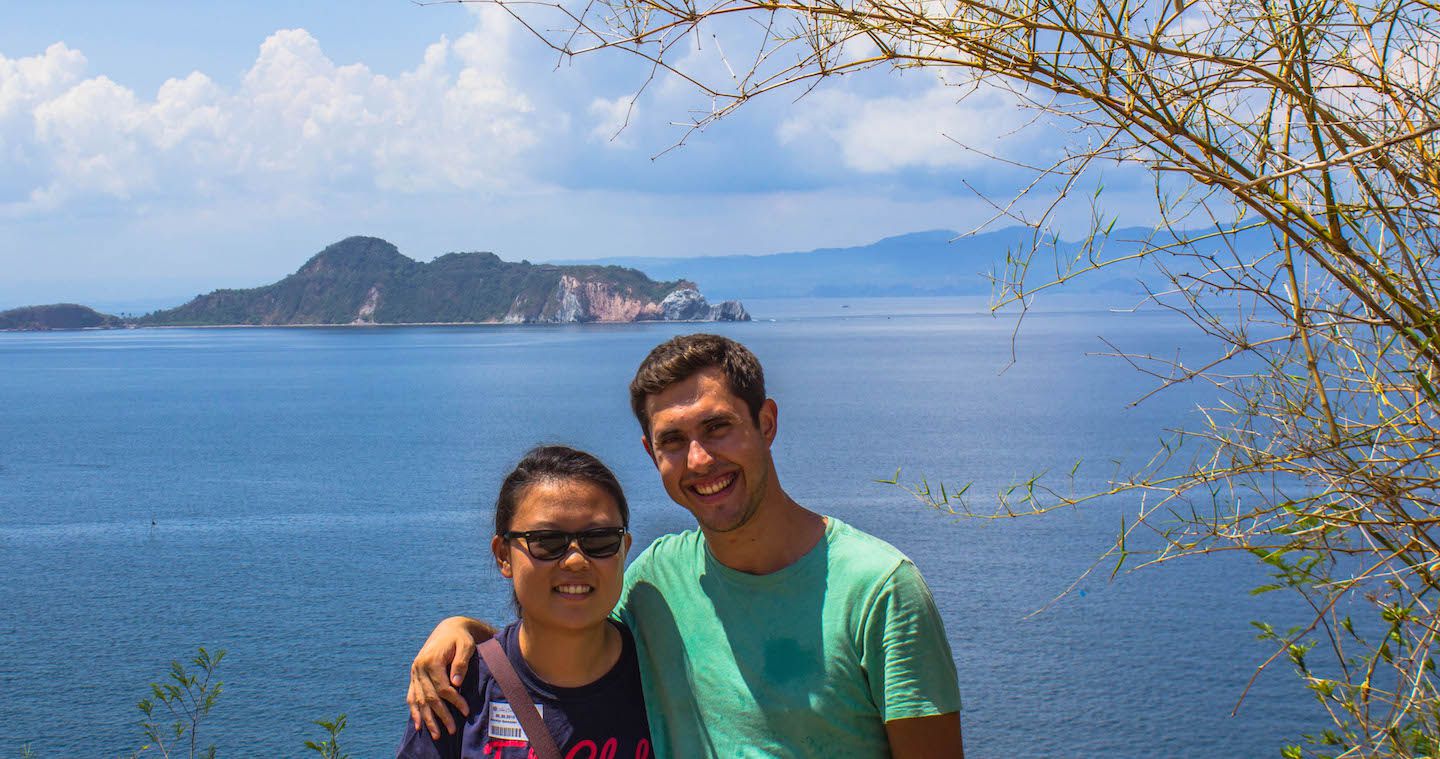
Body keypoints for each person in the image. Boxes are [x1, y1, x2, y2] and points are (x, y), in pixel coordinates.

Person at [409, 335, 963, 757]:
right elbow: (563, 620)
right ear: (652, 453)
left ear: (766, 423)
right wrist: (463, 631)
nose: (699, 460)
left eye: (717, 427)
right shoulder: (655, 579)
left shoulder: (879, 589)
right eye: (674, 440)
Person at [397, 445, 652, 758]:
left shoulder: (663, 675)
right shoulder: (457, 689)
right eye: (546, 541)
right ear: (504, 556)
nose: (575, 560)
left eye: (600, 539)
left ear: (624, 549)